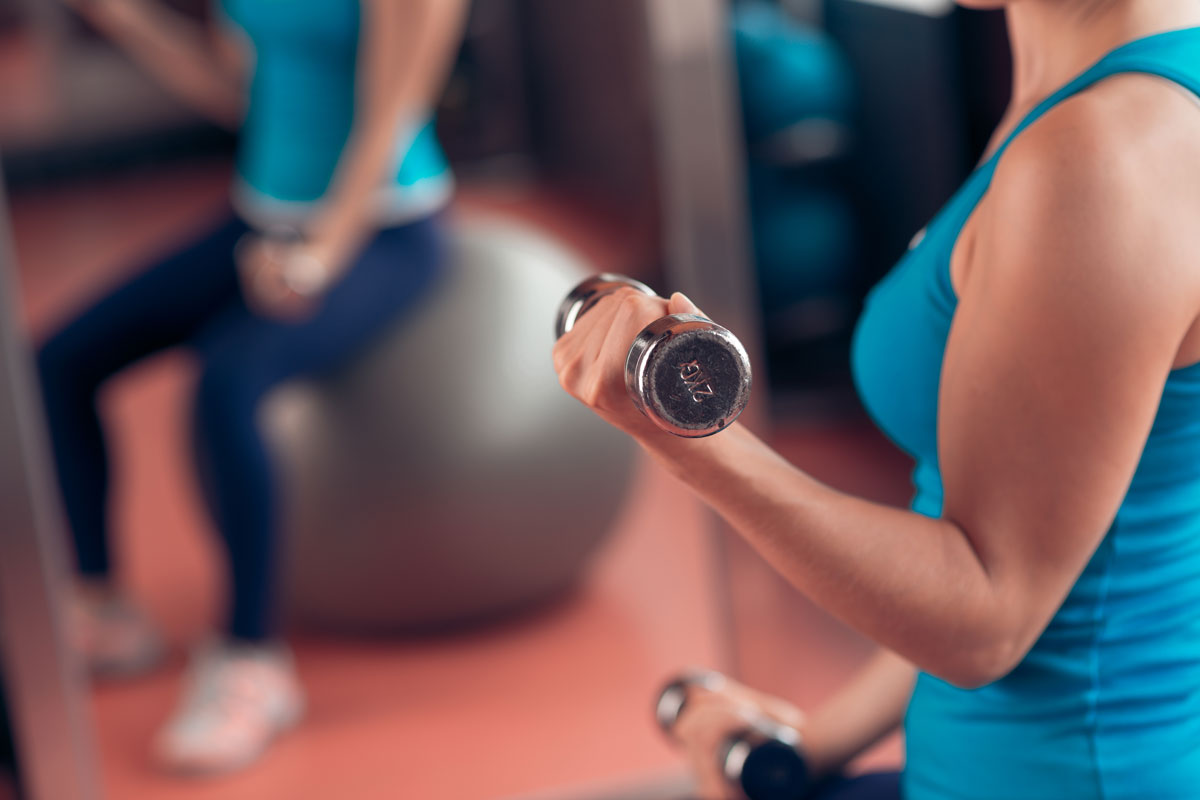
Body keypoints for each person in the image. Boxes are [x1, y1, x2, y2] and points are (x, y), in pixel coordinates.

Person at [554, 1, 1200, 798]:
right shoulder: (1076, 96)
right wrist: (807, 745)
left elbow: (989, 615)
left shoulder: (1107, 149)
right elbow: (1029, 533)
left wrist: (687, 434)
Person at [37, 0, 466, 774]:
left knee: (228, 381)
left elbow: (390, 114)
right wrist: (129, 22)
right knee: (57, 361)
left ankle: (251, 663)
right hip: (258, 221)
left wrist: (320, 256)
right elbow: (240, 90)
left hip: (385, 229)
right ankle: (105, 609)